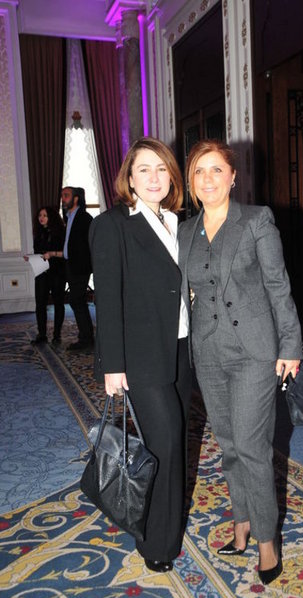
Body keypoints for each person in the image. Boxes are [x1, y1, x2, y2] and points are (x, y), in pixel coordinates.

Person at [178, 139, 303, 586]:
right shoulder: (184, 231)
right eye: (199, 171)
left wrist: (290, 346)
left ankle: (268, 541)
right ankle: (241, 522)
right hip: (208, 351)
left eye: (216, 170)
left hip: (254, 350)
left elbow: (278, 286)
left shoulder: (255, 220)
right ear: (190, 182)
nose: (208, 179)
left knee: (252, 446)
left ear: (233, 177)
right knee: (228, 444)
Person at [89, 137, 191, 573]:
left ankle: (165, 526)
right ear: (129, 178)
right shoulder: (112, 225)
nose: (154, 177)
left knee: (175, 440)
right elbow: (108, 299)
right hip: (140, 355)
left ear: (171, 177)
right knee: (164, 441)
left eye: (162, 169)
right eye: (144, 169)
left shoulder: (178, 221)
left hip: (182, 349)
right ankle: (156, 542)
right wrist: (112, 365)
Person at [25, 206, 66, 345]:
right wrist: (31, 257)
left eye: (44, 215)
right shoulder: (39, 233)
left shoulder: (61, 232)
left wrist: (52, 254)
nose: (41, 218)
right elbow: (39, 252)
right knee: (40, 304)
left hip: (57, 272)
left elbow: (65, 253)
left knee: (58, 303)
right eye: (39, 215)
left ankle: (57, 335)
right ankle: (42, 334)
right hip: (42, 271)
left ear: (51, 217)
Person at [61, 186, 94, 350]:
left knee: (76, 301)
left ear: (75, 199)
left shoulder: (84, 218)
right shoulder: (68, 217)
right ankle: (86, 336)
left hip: (80, 267)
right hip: (70, 265)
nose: (63, 199)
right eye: (62, 195)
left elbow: (89, 244)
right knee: (77, 301)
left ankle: (86, 339)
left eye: (66, 195)